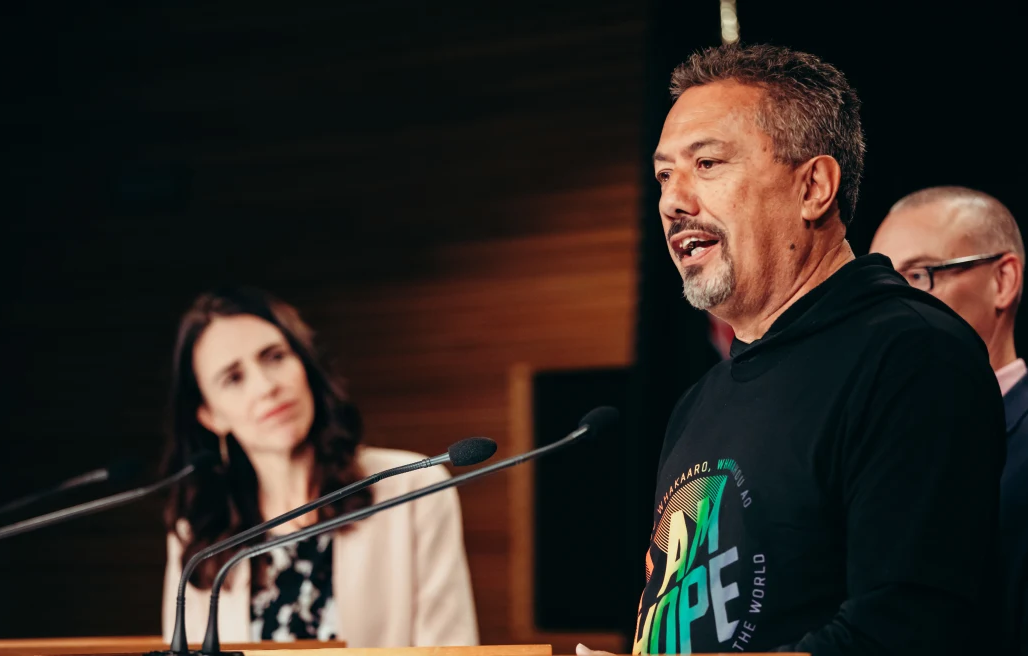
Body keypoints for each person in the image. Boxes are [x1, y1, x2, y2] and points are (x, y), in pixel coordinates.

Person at [577, 44, 1004, 656]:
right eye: (665, 175)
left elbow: (903, 629)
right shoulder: (700, 401)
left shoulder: (913, 356)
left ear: (814, 187)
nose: (673, 201)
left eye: (707, 163)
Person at [160, 287, 479, 647]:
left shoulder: (413, 487)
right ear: (210, 415)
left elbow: (449, 647)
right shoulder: (198, 530)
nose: (266, 386)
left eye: (275, 357)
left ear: (304, 364)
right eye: (233, 378)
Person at [871, 187, 1027, 655]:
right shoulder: (872, 448)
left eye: (919, 275)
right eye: (879, 285)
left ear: (1003, 280)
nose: (890, 305)